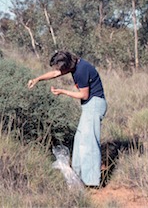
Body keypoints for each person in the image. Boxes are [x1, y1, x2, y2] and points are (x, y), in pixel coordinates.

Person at [27, 50, 107, 187]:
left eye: (60, 68)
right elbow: (54, 74)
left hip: (94, 105)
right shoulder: (75, 65)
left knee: (90, 144)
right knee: (80, 140)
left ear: (67, 65)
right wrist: (37, 79)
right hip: (89, 106)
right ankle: (78, 176)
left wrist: (62, 91)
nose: (59, 71)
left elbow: (84, 95)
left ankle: (92, 182)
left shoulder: (81, 70)